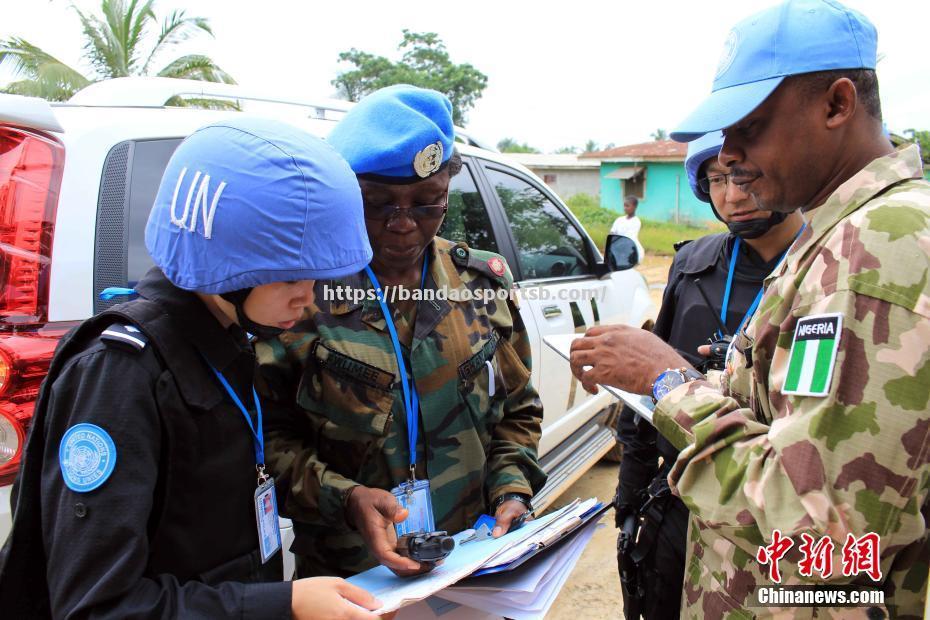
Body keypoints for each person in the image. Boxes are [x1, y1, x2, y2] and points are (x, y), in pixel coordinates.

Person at [570, 1, 929, 617]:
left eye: (749, 127)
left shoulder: (878, 249)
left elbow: (826, 540)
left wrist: (668, 382)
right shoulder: (837, 234)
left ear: (837, 105)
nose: (728, 154)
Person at [0, 117, 381, 619]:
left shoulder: (225, 341)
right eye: (292, 274)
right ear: (227, 260)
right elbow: (98, 605)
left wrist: (349, 499)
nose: (308, 298)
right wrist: (282, 606)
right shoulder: (120, 372)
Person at [257, 84, 547, 579]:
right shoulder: (296, 299)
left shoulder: (482, 285)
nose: (403, 224)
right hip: (350, 580)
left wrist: (511, 489)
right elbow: (266, 445)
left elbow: (518, 410)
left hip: (471, 561)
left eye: (427, 204)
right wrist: (345, 498)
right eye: (379, 204)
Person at [615, 130, 805, 619]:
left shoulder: (821, 269)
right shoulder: (691, 263)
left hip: (773, 511)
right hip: (680, 496)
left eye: (745, 175)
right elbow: (644, 393)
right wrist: (630, 497)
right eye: (716, 178)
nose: (732, 194)